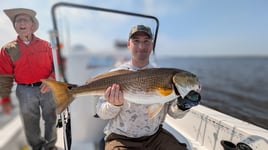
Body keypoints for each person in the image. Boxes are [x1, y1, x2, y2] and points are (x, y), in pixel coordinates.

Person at [95, 24, 200, 150]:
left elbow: (173, 113)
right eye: (136, 41)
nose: (141, 46)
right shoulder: (116, 75)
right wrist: (113, 105)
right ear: (128, 44)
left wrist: (183, 105)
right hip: (121, 138)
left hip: (154, 136)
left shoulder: (162, 75)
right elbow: (101, 113)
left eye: (146, 41)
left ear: (152, 45)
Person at [0, 8, 57, 150]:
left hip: (47, 88)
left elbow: (58, 65)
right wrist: (5, 99)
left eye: (25, 19)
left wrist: (52, 79)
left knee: (51, 118)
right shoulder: (7, 49)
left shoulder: (47, 45)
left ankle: (50, 146)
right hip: (24, 90)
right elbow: (4, 76)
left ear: (32, 25)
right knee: (30, 122)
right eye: (18, 20)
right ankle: (37, 147)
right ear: (14, 26)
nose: (21, 23)